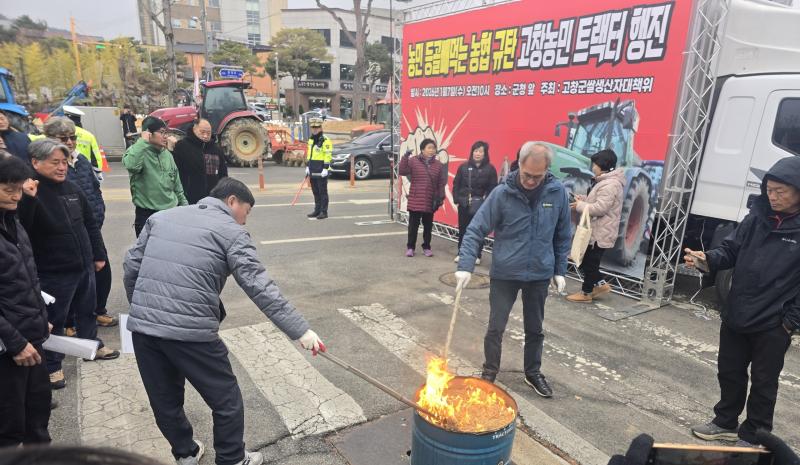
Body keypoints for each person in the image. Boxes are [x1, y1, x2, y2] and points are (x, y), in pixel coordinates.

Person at [124, 177, 325, 465]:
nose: (244, 221)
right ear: (232, 201)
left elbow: (131, 264)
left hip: (144, 329)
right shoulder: (231, 232)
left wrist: (143, 307)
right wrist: (301, 331)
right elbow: (259, 285)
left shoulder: (161, 217)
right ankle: (232, 459)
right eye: (247, 211)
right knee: (226, 400)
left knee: (164, 398)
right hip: (191, 333)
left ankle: (186, 454)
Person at [685, 156, 800, 446]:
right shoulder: (756, 218)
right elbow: (730, 250)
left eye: (780, 192)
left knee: (764, 383)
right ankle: (725, 421)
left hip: (774, 322)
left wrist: (789, 322)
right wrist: (707, 259)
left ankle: (755, 434)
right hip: (738, 311)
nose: (772, 197)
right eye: (769, 190)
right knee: (730, 371)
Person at [454, 142, 571, 397]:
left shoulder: (557, 192)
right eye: (526, 174)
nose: (530, 180)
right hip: (505, 272)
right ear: (519, 164)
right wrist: (466, 265)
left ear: (547, 170)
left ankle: (532, 373)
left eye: (537, 176)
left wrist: (560, 270)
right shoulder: (502, 193)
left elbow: (563, 234)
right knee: (496, 326)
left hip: (539, 272)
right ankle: (489, 371)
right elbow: (476, 229)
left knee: (535, 329)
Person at [16, 139, 119, 391]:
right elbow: (22, 230)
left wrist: (99, 254)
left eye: (64, 162)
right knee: (55, 320)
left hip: (84, 265)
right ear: (35, 163)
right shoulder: (29, 193)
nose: (62, 167)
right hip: (53, 271)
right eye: (55, 163)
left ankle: (91, 347)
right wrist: (28, 199)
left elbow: (90, 223)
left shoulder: (72, 188)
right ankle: (52, 366)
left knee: (87, 311)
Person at [43, 117, 117, 330]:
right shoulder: (50, 167)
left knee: (102, 271)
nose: (70, 142)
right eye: (63, 138)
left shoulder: (81, 160)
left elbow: (95, 189)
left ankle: (97, 312)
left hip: (92, 226)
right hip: (69, 233)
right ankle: (69, 322)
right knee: (74, 280)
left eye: (72, 137)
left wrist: (99, 210)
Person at [0, 153, 52, 447]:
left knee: (37, 413)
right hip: (9, 347)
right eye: (9, 189)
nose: (16, 195)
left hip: (32, 336)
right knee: (9, 425)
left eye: (19, 188)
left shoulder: (12, 221)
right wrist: (16, 342)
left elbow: (23, 278)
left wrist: (40, 315)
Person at [566, 149, 625, 303]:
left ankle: (586, 294)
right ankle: (600, 286)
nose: (593, 167)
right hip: (598, 230)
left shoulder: (610, 184)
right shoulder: (605, 182)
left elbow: (600, 208)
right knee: (587, 261)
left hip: (600, 232)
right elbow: (597, 201)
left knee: (588, 262)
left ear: (601, 165)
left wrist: (580, 205)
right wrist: (583, 199)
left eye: (595, 164)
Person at [122, 117, 187, 237]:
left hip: (170, 213)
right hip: (147, 215)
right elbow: (131, 165)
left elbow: (177, 186)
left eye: (166, 133)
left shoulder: (167, 154)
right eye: (162, 132)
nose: (165, 136)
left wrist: (185, 209)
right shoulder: (137, 151)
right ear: (148, 133)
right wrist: (143, 141)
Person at [399, 138, 447, 257]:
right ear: (422, 149)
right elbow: (402, 171)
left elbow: (441, 182)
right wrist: (405, 157)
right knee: (413, 226)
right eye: (429, 148)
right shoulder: (413, 161)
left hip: (430, 200)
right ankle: (410, 247)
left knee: (428, 226)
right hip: (416, 199)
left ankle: (426, 247)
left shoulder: (438, 165)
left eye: (433, 148)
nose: (432, 150)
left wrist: (441, 197)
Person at [452, 140, 497, 265]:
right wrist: (457, 199)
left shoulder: (490, 169)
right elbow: (456, 184)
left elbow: (493, 189)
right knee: (463, 230)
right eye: (475, 151)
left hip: (481, 206)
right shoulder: (463, 167)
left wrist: (487, 204)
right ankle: (461, 253)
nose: (477, 153)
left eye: (480, 151)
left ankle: (477, 254)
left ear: (485, 154)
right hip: (465, 204)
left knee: (478, 230)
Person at [172, 119, 228, 204]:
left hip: (212, 201)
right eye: (202, 132)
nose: (205, 136)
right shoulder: (182, 146)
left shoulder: (216, 150)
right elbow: (174, 173)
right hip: (189, 200)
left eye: (208, 133)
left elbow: (223, 175)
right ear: (194, 129)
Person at [63, 106, 108, 175]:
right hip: (86, 170)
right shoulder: (88, 135)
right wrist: (98, 172)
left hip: (66, 170)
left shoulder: (60, 133)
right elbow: (96, 156)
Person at [305, 117, 333, 220]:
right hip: (313, 169)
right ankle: (317, 210)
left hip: (321, 170)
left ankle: (323, 211)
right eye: (313, 127)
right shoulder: (311, 139)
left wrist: (325, 168)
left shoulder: (325, 140)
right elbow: (309, 154)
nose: (315, 129)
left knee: (323, 192)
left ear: (321, 128)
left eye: (317, 127)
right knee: (315, 191)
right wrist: (308, 166)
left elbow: (328, 155)